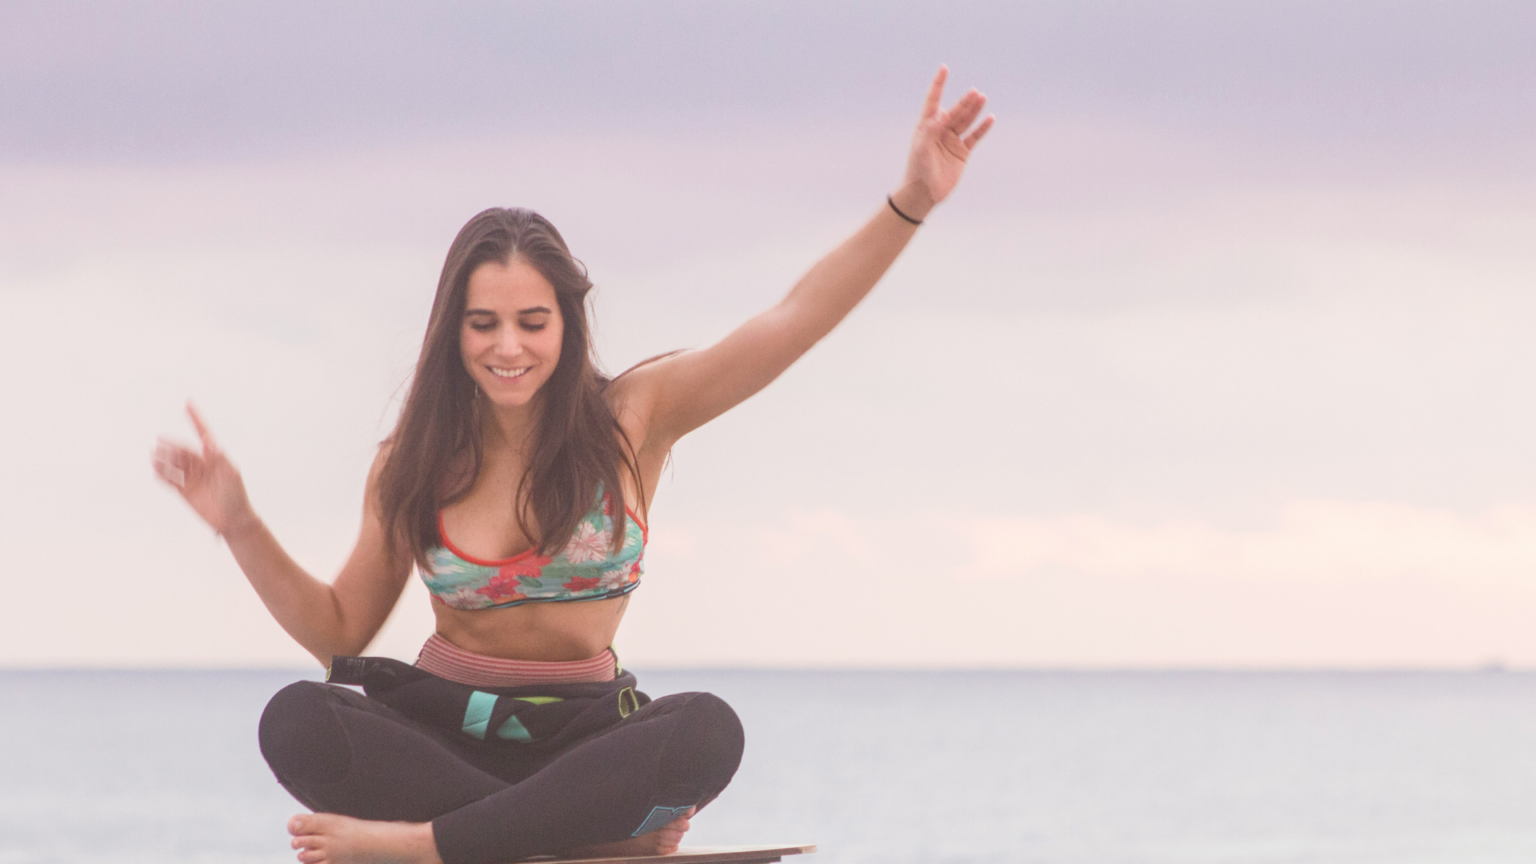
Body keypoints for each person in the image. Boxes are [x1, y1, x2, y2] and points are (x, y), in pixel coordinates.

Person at [152, 66, 992, 864]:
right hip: (446, 734)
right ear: (453, 330)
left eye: (531, 321)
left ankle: (436, 846)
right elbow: (339, 635)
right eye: (483, 323)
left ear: (567, 323)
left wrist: (911, 200)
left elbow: (793, 319)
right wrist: (241, 525)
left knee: (708, 729)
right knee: (297, 719)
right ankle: (581, 840)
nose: (507, 346)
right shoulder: (411, 464)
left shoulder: (636, 418)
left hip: (587, 736)